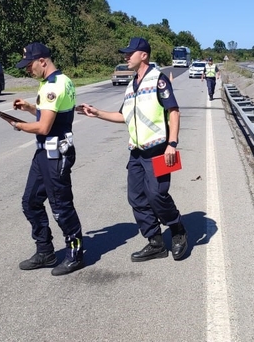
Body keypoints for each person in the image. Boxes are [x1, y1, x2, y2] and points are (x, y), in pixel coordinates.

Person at [77, 37, 188, 262]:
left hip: (158, 149)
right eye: (126, 54)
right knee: (136, 197)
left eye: (130, 53)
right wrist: (97, 113)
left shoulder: (159, 80)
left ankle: (177, 230)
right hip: (136, 152)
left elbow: (173, 111)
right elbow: (123, 116)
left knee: (157, 195)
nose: (126, 57)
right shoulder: (131, 85)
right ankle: (155, 242)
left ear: (143, 55)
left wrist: (172, 144)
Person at [10, 42, 85, 276]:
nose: (27, 70)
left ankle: (76, 254)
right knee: (30, 202)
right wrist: (30, 108)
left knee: (61, 207)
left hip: (56, 154)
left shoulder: (54, 85)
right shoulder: (53, 83)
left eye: (30, 65)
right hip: (44, 153)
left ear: (43, 61)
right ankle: (45, 251)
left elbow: (44, 127)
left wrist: (19, 125)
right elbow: (52, 115)